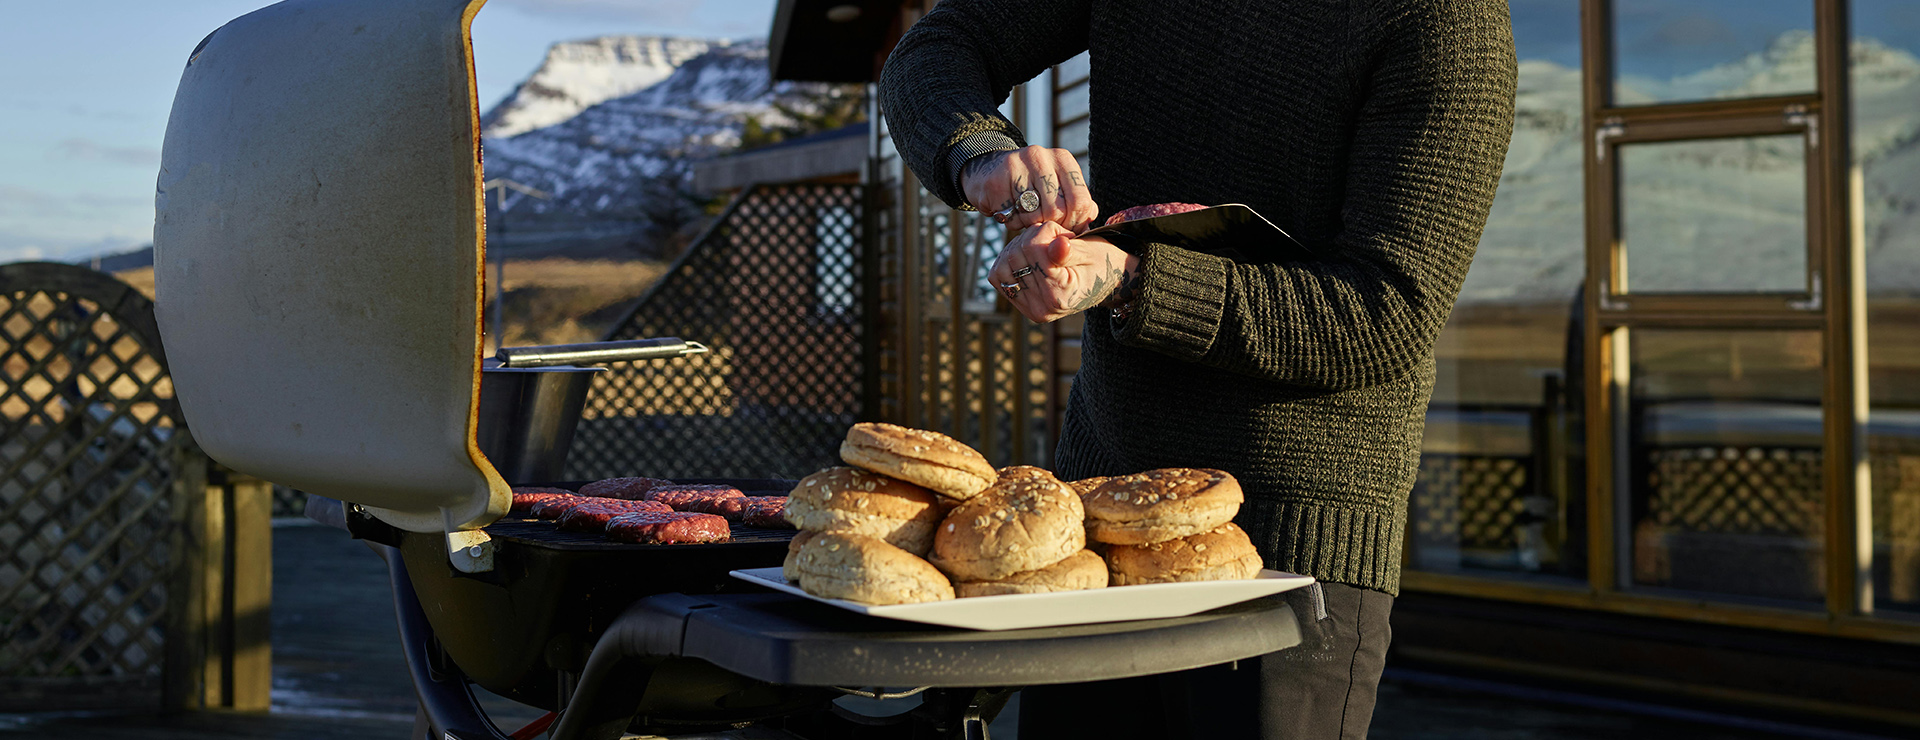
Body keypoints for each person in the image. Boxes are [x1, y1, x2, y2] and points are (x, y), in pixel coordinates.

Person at [879, 1, 1516, 738]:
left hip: (1290, 547)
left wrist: (1131, 281)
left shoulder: (1446, 21)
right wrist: (981, 152)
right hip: (1095, 521)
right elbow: (939, 46)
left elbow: (1383, 318)